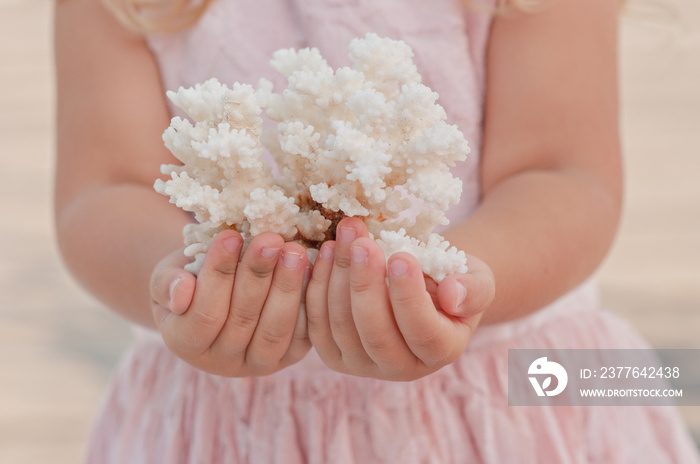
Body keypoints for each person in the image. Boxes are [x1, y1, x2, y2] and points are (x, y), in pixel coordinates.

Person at [54, 0, 700, 462]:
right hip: (225, 419)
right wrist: (187, 283)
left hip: (514, 398)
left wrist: (447, 281)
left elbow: (561, 173)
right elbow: (104, 188)